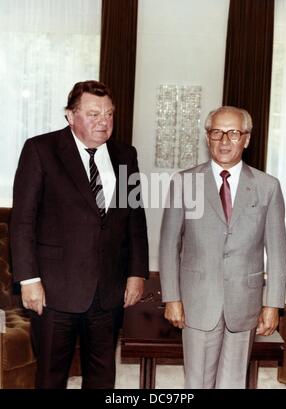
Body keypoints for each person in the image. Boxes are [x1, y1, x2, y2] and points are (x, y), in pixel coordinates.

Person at [10, 80, 149, 389]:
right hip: (53, 291)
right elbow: (22, 222)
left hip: (108, 290)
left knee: (102, 377)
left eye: (110, 114)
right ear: (70, 116)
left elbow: (135, 221)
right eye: (93, 113)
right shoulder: (40, 150)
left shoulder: (126, 154)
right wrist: (29, 281)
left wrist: (137, 273)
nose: (104, 121)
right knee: (51, 377)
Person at [159, 106, 286, 389]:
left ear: (247, 139)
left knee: (233, 382)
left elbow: (278, 251)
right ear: (208, 138)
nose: (225, 140)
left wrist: (273, 304)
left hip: (245, 303)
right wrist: (171, 297)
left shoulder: (268, 187)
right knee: (196, 382)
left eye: (233, 133)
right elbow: (169, 244)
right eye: (217, 132)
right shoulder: (185, 182)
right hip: (196, 303)